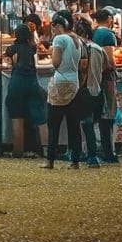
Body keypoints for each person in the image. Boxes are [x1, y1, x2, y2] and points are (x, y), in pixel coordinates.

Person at [40, 11, 85, 170]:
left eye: (52, 27)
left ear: (58, 26)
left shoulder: (60, 39)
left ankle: (50, 160)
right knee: (74, 124)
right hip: (74, 83)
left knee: (54, 124)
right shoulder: (76, 39)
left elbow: (56, 63)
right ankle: (75, 160)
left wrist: (53, 54)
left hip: (60, 83)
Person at [5, 24, 47, 158]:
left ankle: (18, 150)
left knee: (17, 116)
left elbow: (8, 59)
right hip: (33, 82)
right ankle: (47, 150)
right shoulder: (33, 47)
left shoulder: (12, 48)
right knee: (41, 117)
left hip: (17, 82)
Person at [75, 19, 110, 168]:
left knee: (85, 124)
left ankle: (90, 155)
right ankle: (91, 154)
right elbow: (106, 67)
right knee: (91, 123)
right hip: (97, 90)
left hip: (83, 90)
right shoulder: (98, 48)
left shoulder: (78, 47)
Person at [91, 9, 120, 163]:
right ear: (109, 19)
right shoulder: (108, 35)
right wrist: (115, 71)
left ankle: (100, 148)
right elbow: (110, 59)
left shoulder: (94, 33)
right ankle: (108, 150)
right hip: (106, 77)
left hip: (95, 76)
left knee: (99, 113)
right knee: (108, 112)